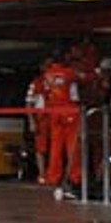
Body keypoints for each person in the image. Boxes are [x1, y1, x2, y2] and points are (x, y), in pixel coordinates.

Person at [37, 49, 82, 196]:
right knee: (72, 146)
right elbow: (86, 78)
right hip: (69, 110)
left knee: (55, 146)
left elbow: (44, 94)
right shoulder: (69, 73)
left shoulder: (46, 75)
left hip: (53, 112)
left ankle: (53, 176)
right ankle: (75, 177)